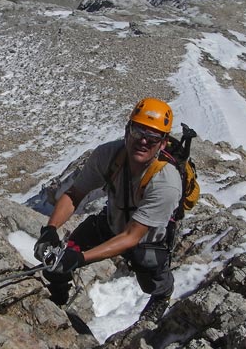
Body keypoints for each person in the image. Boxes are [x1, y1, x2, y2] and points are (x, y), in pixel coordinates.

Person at [33, 98, 182, 323]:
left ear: (163, 144)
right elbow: (75, 194)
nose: (143, 140)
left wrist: (80, 258)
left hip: (146, 238)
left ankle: (162, 295)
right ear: (127, 130)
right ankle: (58, 299)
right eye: (138, 130)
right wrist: (50, 229)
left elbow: (132, 236)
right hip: (113, 221)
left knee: (150, 274)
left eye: (152, 136)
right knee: (58, 260)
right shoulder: (109, 155)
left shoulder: (166, 182)